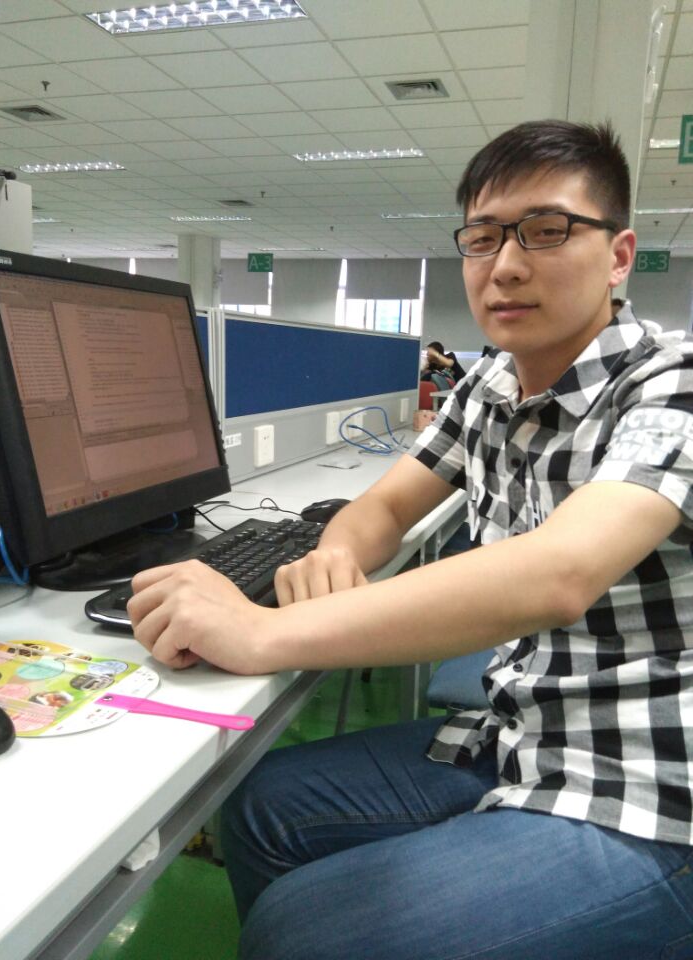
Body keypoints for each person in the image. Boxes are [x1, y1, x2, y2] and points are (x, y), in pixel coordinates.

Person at [127, 119, 693, 960]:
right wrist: (337, 553)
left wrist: (261, 632)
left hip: (650, 790)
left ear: (618, 256)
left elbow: (561, 572)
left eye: (546, 231)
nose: (505, 265)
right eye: (483, 237)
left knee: (304, 932)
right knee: (262, 804)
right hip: (519, 733)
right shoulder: (489, 387)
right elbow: (386, 506)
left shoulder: (671, 386)